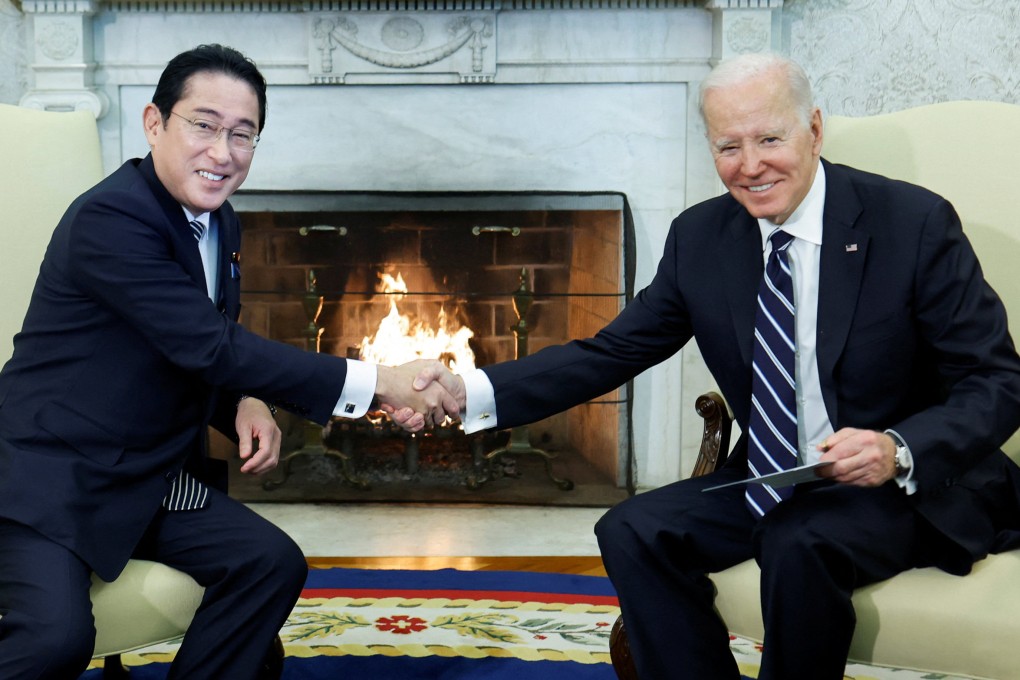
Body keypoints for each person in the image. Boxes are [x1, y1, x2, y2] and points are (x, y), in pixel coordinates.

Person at [399, 52, 1020, 678]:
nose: (750, 167)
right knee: (632, 529)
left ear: (815, 129)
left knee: (798, 540)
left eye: (769, 139)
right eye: (729, 147)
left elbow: (996, 380)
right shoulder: (702, 237)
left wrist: (896, 446)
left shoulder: (911, 223)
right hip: (780, 476)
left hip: (906, 486)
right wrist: (465, 388)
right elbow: (609, 352)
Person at [0, 44, 454, 679]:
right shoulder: (112, 218)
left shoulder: (219, 221)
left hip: (149, 477)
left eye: (243, 135)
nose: (223, 152)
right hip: (53, 477)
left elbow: (189, 344)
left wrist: (245, 398)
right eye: (204, 125)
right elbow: (210, 346)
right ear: (154, 123)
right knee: (54, 642)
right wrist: (382, 382)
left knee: (269, 563)